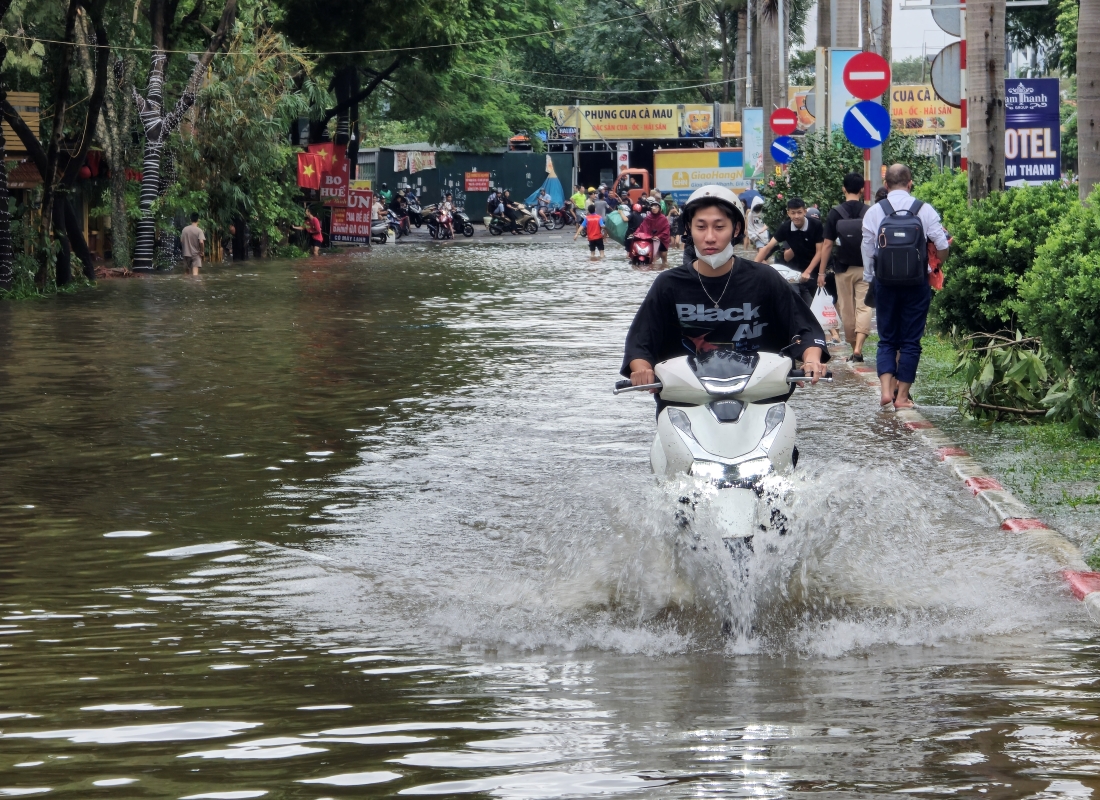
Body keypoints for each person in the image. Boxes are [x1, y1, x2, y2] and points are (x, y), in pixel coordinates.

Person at [621, 185, 829, 406]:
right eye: (700, 227)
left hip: (760, 401)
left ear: (736, 229)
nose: (710, 237)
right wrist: (642, 369)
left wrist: (811, 359)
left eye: (719, 227)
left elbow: (804, 328)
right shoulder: (668, 284)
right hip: (686, 403)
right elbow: (640, 342)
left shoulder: (765, 279)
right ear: (689, 229)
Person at [862, 163, 950, 411]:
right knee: (911, 341)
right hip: (916, 283)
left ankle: (886, 392)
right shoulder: (924, 210)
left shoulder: (874, 212)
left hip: (884, 283)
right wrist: (932, 267)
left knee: (886, 339)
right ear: (910, 183)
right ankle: (902, 398)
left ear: (886, 185)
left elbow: (868, 250)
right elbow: (942, 246)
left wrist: (871, 278)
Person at [821, 172, 872, 361]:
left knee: (846, 309)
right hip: (865, 268)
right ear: (861, 189)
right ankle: (859, 347)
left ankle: (853, 348)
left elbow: (827, 244)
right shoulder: (869, 211)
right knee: (864, 307)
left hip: (842, 269)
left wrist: (821, 272)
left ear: (843, 189)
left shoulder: (835, 213)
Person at [754, 197, 824, 306]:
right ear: (788, 213)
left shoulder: (816, 225)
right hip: (795, 269)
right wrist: (753, 267)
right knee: (795, 302)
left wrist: (808, 271)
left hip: (815, 268)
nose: (796, 216)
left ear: (805, 211)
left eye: (799, 212)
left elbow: (820, 251)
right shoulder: (785, 227)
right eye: (793, 213)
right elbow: (768, 247)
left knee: (816, 304)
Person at [635, 199, 671, 267]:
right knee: (651, 255)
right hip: (650, 238)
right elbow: (642, 227)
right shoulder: (648, 218)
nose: (654, 209)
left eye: (656, 207)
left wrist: (659, 236)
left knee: (663, 255)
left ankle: (664, 266)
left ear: (659, 209)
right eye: (653, 207)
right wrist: (635, 233)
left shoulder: (663, 218)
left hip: (662, 239)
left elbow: (666, 230)